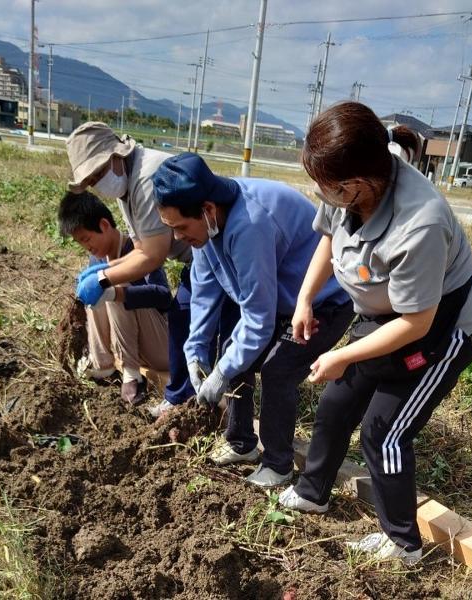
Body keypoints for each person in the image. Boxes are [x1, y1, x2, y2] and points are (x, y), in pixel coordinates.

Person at [278, 101, 472, 565]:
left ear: (356, 182)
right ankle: (313, 492)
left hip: (441, 328)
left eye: (326, 186)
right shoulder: (345, 188)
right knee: (336, 405)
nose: (321, 193)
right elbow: (330, 239)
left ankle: (403, 544)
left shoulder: (421, 221)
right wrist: (305, 299)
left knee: (385, 432)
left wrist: (344, 356)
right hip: (384, 318)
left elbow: (417, 323)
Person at [151, 153, 354, 488]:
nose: (177, 238)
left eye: (181, 228)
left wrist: (221, 373)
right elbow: (204, 292)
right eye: (172, 229)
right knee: (233, 351)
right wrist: (196, 350)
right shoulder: (207, 228)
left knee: (279, 369)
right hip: (282, 303)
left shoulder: (250, 225)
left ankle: (278, 464)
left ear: (207, 210)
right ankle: (241, 442)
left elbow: (258, 320)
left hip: (324, 303)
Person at [66, 122, 197, 418]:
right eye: (92, 180)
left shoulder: (147, 177)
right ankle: (111, 368)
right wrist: (103, 272)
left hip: (205, 257)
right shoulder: (127, 187)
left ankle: (184, 393)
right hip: (194, 262)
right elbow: (142, 248)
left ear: (116, 156)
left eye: (98, 174)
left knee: (115, 293)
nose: (98, 183)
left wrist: (105, 277)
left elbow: (151, 256)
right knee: (109, 291)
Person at [58, 190, 172, 406]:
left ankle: (131, 375)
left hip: (161, 346)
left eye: (87, 239)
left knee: (110, 282)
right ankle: (103, 366)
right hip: (131, 344)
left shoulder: (137, 249)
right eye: (80, 243)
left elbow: (164, 295)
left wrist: (118, 292)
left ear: (103, 225)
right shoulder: (96, 259)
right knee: (92, 286)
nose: (87, 246)